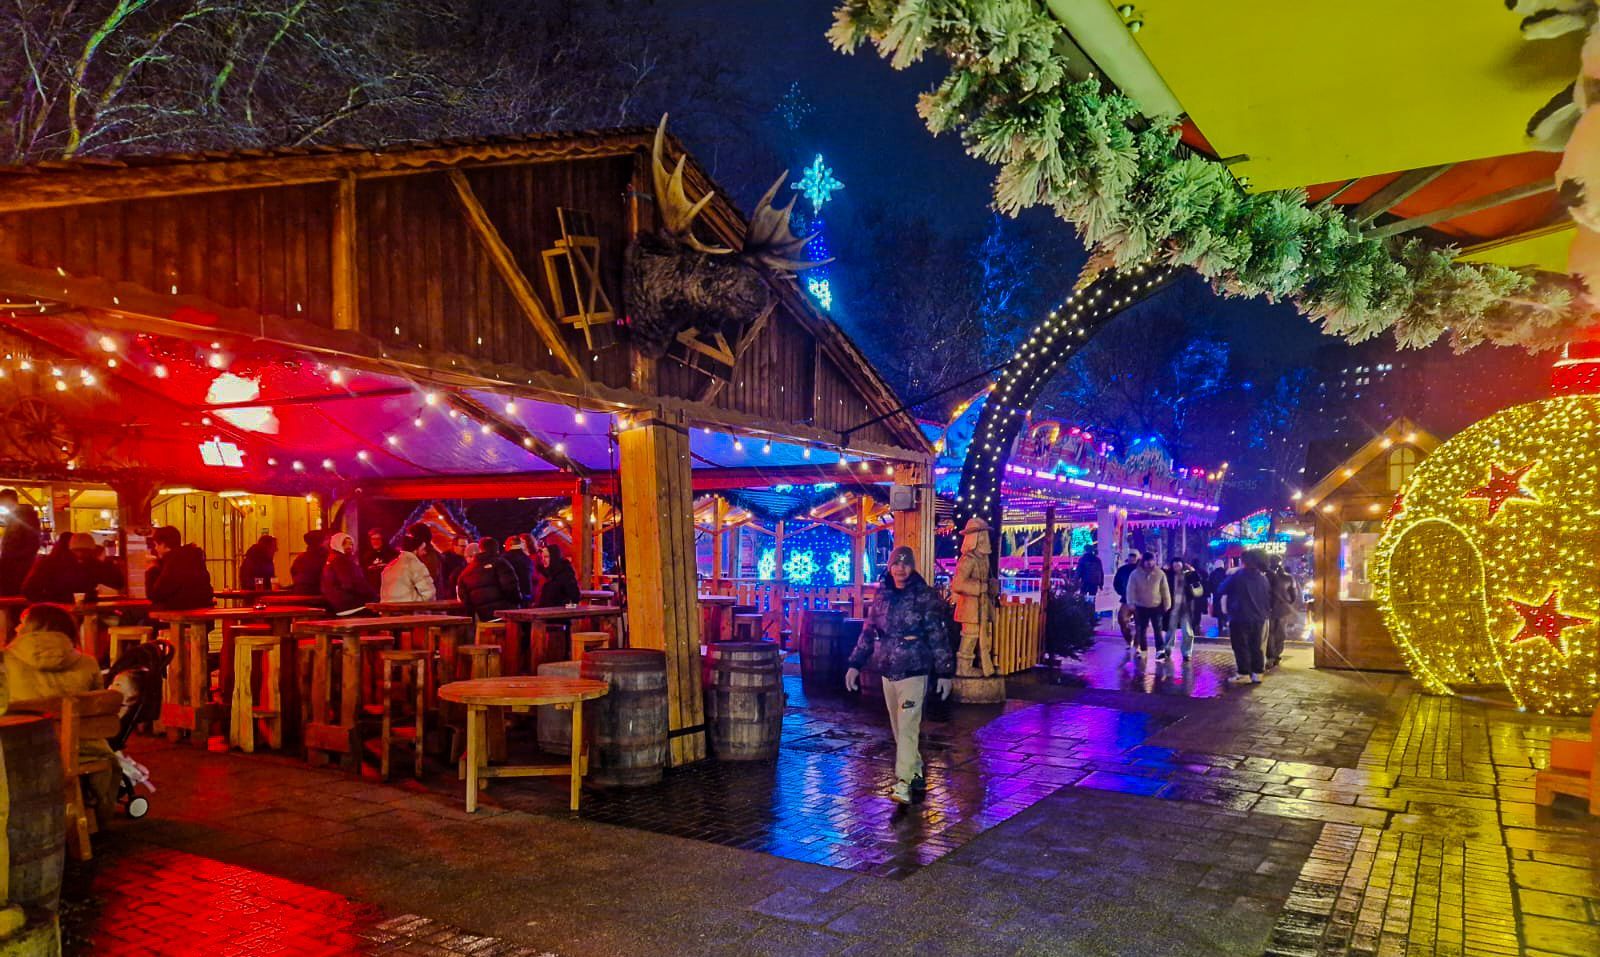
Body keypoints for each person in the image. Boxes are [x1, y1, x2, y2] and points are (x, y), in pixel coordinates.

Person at [843, 547, 954, 806]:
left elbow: (938, 634)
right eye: (896, 563)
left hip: (914, 669)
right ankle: (915, 772)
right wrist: (855, 664)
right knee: (899, 729)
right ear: (890, 566)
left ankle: (902, 782)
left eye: (906, 564)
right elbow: (869, 632)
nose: (900, 568)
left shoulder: (924, 596)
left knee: (907, 728)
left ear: (912, 567)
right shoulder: (882, 596)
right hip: (888, 669)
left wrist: (945, 671)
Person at [3, 603, 115, 808]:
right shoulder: (88, 663)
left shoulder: (4, 662)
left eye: (21, 623)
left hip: (18, 750)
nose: (16, 629)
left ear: (34, 628)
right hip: (81, 749)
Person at [23, 533, 124, 605]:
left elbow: (117, 582)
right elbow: (30, 590)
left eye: (86, 552)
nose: (81, 555)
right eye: (79, 551)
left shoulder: (92, 565)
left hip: (70, 610)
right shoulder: (92, 564)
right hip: (74, 609)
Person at [1218, 551, 1272, 683]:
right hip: (1258, 616)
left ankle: (1243, 673)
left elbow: (1221, 589)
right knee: (1256, 644)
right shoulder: (1262, 577)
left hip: (1240, 616)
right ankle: (1257, 672)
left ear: (1244, 561)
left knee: (1240, 645)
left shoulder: (1238, 576)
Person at [145, 526, 214, 610]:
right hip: (204, 605)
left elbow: (155, 595)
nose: (155, 548)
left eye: (156, 545)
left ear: (163, 544)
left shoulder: (173, 562)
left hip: (183, 609)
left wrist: (152, 569)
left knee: (141, 613)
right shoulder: (193, 556)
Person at [456, 537, 523, 620]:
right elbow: (511, 588)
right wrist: (517, 602)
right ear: (497, 550)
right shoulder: (501, 564)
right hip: (505, 616)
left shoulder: (465, 572)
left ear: (480, 550)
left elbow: (464, 599)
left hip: (482, 618)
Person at [1126, 551, 1172, 659]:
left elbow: (1165, 590)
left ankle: (1160, 650)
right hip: (1140, 606)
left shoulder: (1160, 574)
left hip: (1156, 606)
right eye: (1147, 561)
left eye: (1151, 561)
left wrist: (1167, 603)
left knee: (1158, 629)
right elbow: (1130, 589)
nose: (1149, 563)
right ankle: (1143, 649)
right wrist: (1130, 602)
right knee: (1141, 629)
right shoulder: (1135, 574)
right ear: (1143, 562)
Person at [321, 532, 376, 615]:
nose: (349, 547)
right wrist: (373, 595)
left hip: (337, 604)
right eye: (344, 544)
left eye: (351, 544)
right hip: (350, 604)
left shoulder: (332, 559)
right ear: (337, 544)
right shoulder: (341, 561)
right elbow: (352, 583)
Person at [0, 488, 41, 596]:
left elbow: (33, 543)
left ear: (8, 500)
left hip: (18, 570)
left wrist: (12, 558)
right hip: (13, 569)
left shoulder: (25, 517)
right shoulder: (15, 517)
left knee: (15, 600)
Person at [380, 528, 437, 603]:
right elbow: (429, 594)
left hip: (388, 610)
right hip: (410, 609)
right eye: (422, 549)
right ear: (415, 550)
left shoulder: (389, 566)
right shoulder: (415, 565)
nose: (424, 552)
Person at [1266, 557, 1297, 669]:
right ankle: (1276, 655)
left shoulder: (1265, 576)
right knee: (1279, 633)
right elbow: (1293, 595)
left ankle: (1271, 656)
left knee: (1270, 634)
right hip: (1282, 609)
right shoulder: (1288, 578)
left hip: (1268, 609)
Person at [535, 540, 582, 608]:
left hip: (558, 616)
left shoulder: (565, 574)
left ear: (554, 557)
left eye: (546, 557)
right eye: (542, 557)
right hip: (544, 614)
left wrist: (563, 609)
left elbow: (575, 598)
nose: (543, 560)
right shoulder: (546, 574)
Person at [1112, 551, 1140, 648]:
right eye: (1131, 556)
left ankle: (1137, 643)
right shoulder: (1122, 570)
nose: (1132, 558)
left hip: (1140, 600)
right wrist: (1122, 592)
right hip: (1126, 599)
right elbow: (1116, 583)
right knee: (1122, 619)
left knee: (1140, 623)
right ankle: (1129, 639)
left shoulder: (1142, 569)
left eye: (1134, 556)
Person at [290, 530, 329, 595]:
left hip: (300, 593)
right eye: (326, 539)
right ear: (320, 542)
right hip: (318, 596)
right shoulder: (325, 558)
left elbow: (293, 573)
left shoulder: (301, 558)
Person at [408, 522, 444, 592]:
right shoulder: (417, 553)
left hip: (428, 599)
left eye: (411, 536)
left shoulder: (429, 555)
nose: (409, 539)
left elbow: (428, 579)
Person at [503, 535, 537, 604]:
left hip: (509, 597)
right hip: (525, 596)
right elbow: (528, 579)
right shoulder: (527, 559)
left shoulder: (503, 559)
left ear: (509, 544)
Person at [1208, 561, 1231, 637]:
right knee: (1224, 609)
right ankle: (1225, 622)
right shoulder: (1226, 573)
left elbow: (1210, 585)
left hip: (1216, 595)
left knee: (1218, 610)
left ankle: (1220, 624)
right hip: (1225, 594)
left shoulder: (1213, 574)